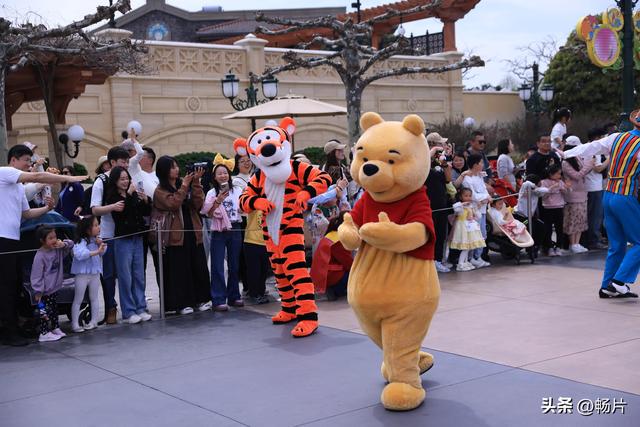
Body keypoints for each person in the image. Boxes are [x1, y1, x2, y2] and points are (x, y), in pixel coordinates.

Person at [0, 144, 86, 347]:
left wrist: (47, 208)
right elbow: (38, 178)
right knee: (5, 286)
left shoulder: (18, 187)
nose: (29, 165)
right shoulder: (6, 172)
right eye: (26, 161)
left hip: (12, 239)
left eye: (30, 162)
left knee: (13, 285)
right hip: (2, 239)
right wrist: (69, 178)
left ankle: (14, 325)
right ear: (13, 160)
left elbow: (26, 214)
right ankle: (8, 331)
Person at [564, 111, 640, 299]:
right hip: (626, 196)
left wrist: (563, 153)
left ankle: (607, 286)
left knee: (617, 244)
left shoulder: (616, 137)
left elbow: (589, 148)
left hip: (609, 195)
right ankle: (619, 281)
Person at [153, 156, 211, 314]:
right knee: (180, 270)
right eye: (172, 167)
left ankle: (201, 299)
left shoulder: (184, 184)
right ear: (164, 171)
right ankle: (182, 303)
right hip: (175, 236)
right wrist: (185, 185)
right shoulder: (160, 190)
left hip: (192, 230)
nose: (176, 170)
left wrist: (197, 182)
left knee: (198, 266)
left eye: (177, 166)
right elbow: (173, 203)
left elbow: (198, 203)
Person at [105, 167, 152, 324]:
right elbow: (124, 213)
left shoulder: (133, 194)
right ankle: (129, 311)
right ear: (115, 181)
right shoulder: (113, 197)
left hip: (137, 238)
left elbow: (144, 212)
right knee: (125, 277)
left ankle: (141, 307)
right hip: (123, 239)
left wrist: (145, 200)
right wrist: (131, 195)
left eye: (127, 178)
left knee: (139, 275)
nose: (125, 182)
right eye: (122, 179)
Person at [90, 146, 130, 325]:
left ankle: (131, 306)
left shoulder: (127, 179)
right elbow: (95, 209)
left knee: (128, 272)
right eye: (123, 162)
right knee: (109, 274)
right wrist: (113, 207)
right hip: (109, 235)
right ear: (112, 163)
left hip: (127, 233)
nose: (126, 165)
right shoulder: (101, 181)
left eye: (127, 162)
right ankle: (110, 308)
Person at [201, 158, 243, 311]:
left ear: (229, 175)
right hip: (218, 230)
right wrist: (218, 201)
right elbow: (208, 214)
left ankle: (234, 296)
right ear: (214, 177)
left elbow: (243, 210)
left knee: (234, 265)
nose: (223, 176)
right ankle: (218, 298)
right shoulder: (212, 193)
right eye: (219, 174)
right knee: (217, 265)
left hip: (235, 227)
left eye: (225, 173)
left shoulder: (237, 190)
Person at [30, 226, 74, 342]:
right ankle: (44, 333)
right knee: (45, 311)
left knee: (54, 309)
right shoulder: (40, 256)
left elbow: (71, 244)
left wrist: (63, 244)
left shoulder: (57, 249)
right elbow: (36, 275)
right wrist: (38, 290)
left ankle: (55, 327)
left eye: (55, 237)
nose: (54, 240)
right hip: (44, 291)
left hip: (54, 287)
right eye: (50, 238)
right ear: (42, 240)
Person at [70, 216, 105, 333]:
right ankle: (75, 324)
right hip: (82, 274)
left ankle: (94, 321)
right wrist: (97, 251)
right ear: (87, 229)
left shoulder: (97, 240)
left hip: (94, 272)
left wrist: (101, 246)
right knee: (78, 298)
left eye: (98, 224)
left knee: (94, 297)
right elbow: (81, 254)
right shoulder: (80, 242)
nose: (98, 227)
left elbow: (103, 252)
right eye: (95, 225)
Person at [426, 132, 453, 272]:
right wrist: (433, 152)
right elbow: (422, 166)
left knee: (442, 232)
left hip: (441, 200)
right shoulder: (425, 159)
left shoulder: (439, 160)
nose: (443, 146)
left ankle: (438, 259)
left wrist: (446, 162)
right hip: (429, 202)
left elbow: (448, 179)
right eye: (441, 144)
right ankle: (430, 260)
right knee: (431, 233)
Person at [310, 212, 353, 300]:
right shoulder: (339, 241)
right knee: (357, 271)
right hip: (331, 276)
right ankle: (335, 290)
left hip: (323, 275)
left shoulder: (332, 235)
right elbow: (349, 263)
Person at [561, 141, 594, 254]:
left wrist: (589, 166)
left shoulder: (577, 158)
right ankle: (572, 244)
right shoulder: (565, 162)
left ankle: (577, 243)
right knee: (573, 220)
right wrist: (589, 165)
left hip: (582, 193)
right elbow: (577, 175)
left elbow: (583, 172)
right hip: (572, 195)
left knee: (581, 219)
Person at [462, 154, 491, 267]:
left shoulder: (479, 177)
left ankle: (477, 256)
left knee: (482, 234)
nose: (483, 165)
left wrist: (486, 197)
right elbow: (472, 195)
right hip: (472, 212)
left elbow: (485, 191)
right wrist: (485, 197)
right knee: (473, 234)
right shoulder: (467, 179)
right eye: (481, 163)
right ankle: (471, 257)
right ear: (475, 165)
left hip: (482, 210)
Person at [583, 127, 609, 250]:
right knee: (595, 215)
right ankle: (594, 240)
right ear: (597, 138)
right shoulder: (594, 150)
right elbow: (598, 168)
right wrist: (610, 159)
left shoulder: (587, 148)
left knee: (594, 214)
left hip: (591, 186)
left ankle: (593, 238)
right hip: (594, 186)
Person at [232, 152, 254, 294]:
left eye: (248, 160)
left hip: (257, 220)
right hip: (245, 221)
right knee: (246, 255)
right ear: (237, 164)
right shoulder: (236, 181)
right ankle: (248, 285)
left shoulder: (254, 177)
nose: (246, 163)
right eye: (242, 161)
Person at [450, 188, 485, 271]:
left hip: (470, 229)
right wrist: (462, 204)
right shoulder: (460, 206)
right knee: (465, 247)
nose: (468, 198)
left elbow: (478, 216)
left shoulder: (471, 206)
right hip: (462, 228)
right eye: (466, 196)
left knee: (468, 246)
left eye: (470, 196)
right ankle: (460, 263)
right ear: (461, 197)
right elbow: (455, 208)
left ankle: (465, 262)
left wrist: (477, 208)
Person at [540, 164, 570, 256]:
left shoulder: (560, 182)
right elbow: (542, 196)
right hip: (548, 208)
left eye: (560, 174)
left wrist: (565, 188)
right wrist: (551, 189)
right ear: (550, 174)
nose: (559, 176)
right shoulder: (544, 182)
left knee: (559, 228)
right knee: (548, 229)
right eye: (557, 174)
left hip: (559, 207)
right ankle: (549, 247)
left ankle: (558, 247)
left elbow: (567, 193)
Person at [243, 209, 271, 304]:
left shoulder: (270, 204)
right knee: (254, 270)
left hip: (266, 243)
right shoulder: (252, 202)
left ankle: (261, 293)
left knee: (264, 270)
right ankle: (253, 294)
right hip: (251, 241)